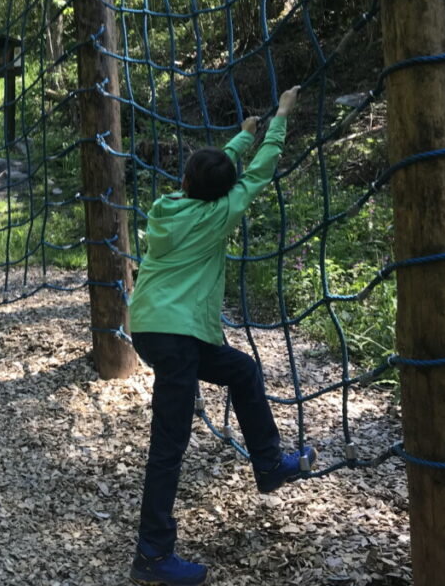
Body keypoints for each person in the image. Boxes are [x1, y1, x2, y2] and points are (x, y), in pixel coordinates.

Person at [128, 85, 313, 586]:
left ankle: (270, 463)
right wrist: (280, 119)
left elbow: (225, 169)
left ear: (185, 179)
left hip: (152, 327)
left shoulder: (169, 206)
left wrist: (240, 136)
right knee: (170, 441)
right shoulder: (218, 216)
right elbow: (255, 176)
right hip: (178, 335)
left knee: (243, 370)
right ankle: (152, 554)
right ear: (218, 194)